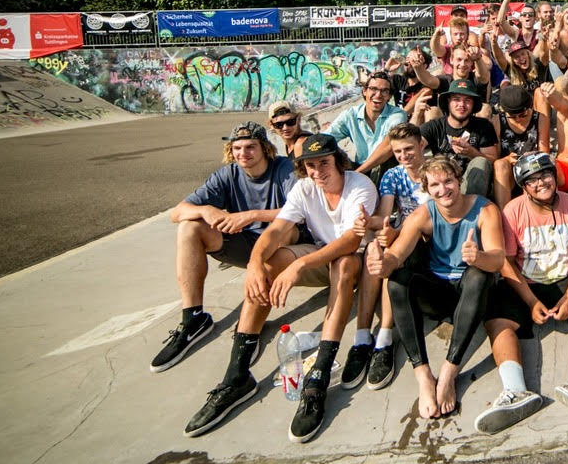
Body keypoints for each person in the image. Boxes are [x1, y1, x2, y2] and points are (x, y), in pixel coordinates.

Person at [184, 134, 375, 443]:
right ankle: (237, 375)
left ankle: (318, 378)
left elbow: (351, 241)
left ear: (338, 161)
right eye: (310, 166)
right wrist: (256, 264)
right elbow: (276, 230)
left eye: (323, 163)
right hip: (318, 256)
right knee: (270, 264)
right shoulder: (304, 188)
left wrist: (299, 266)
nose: (317, 172)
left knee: (345, 263)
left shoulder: (359, 186)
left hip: (355, 263)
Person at [365, 157, 505, 420]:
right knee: (396, 280)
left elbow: (498, 258)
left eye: (448, 181)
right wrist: (381, 263)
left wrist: (478, 257)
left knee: (479, 275)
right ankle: (424, 374)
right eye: (435, 185)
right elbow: (395, 258)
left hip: (473, 296)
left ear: (459, 180)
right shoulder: (423, 215)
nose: (444, 190)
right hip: (439, 293)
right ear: (427, 190)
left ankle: (450, 372)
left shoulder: (486, 210)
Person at [154, 122, 296, 373]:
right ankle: (194, 317)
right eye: (237, 148)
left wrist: (251, 215)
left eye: (251, 147)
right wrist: (206, 210)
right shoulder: (228, 174)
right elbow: (177, 212)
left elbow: (300, 212)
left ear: (264, 148)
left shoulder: (284, 169)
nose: (244, 153)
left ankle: (250, 329)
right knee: (189, 227)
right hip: (245, 243)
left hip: (283, 245)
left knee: (286, 230)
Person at [490, 153, 568, 422]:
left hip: (566, 276)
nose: (541, 183)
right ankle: (514, 390)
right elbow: (507, 262)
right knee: (497, 319)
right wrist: (531, 301)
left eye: (545, 175)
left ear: (555, 176)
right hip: (525, 280)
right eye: (531, 180)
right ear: (523, 186)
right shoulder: (512, 211)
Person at [342, 122, 433, 391]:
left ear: (422, 145)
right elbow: (385, 214)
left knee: (390, 252)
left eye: (409, 149)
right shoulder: (392, 176)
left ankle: (385, 337)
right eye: (398, 151)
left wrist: (394, 233)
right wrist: (370, 223)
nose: (404, 156)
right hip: (401, 235)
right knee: (375, 249)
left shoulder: (436, 169)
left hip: (430, 238)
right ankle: (362, 337)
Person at [419, 79, 500, 197]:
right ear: (448, 102)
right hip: (443, 183)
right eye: (456, 99)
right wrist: (416, 114)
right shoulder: (434, 126)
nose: (462, 105)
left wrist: (472, 152)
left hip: (471, 184)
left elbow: (492, 160)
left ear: (473, 104)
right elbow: (412, 145)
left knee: (480, 162)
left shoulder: (483, 126)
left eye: (467, 100)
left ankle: (472, 208)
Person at [324, 71, 408, 178]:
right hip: (359, 166)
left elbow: (388, 146)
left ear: (389, 96)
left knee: (391, 152)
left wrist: (357, 174)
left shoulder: (397, 115)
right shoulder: (350, 115)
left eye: (384, 91)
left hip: (385, 167)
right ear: (364, 91)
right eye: (373, 89)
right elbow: (326, 139)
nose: (378, 95)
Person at [492, 84, 551, 208]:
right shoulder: (497, 121)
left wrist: (531, 158)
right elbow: (494, 157)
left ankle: (529, 212)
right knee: (499, 164)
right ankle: (506, 215)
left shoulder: (540, 118)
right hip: (508, 171)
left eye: (523, 115)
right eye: (512, 117)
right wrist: (507, 159)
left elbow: (544, 152)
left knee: (530, 166)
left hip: (533, 167)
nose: (518, 119)